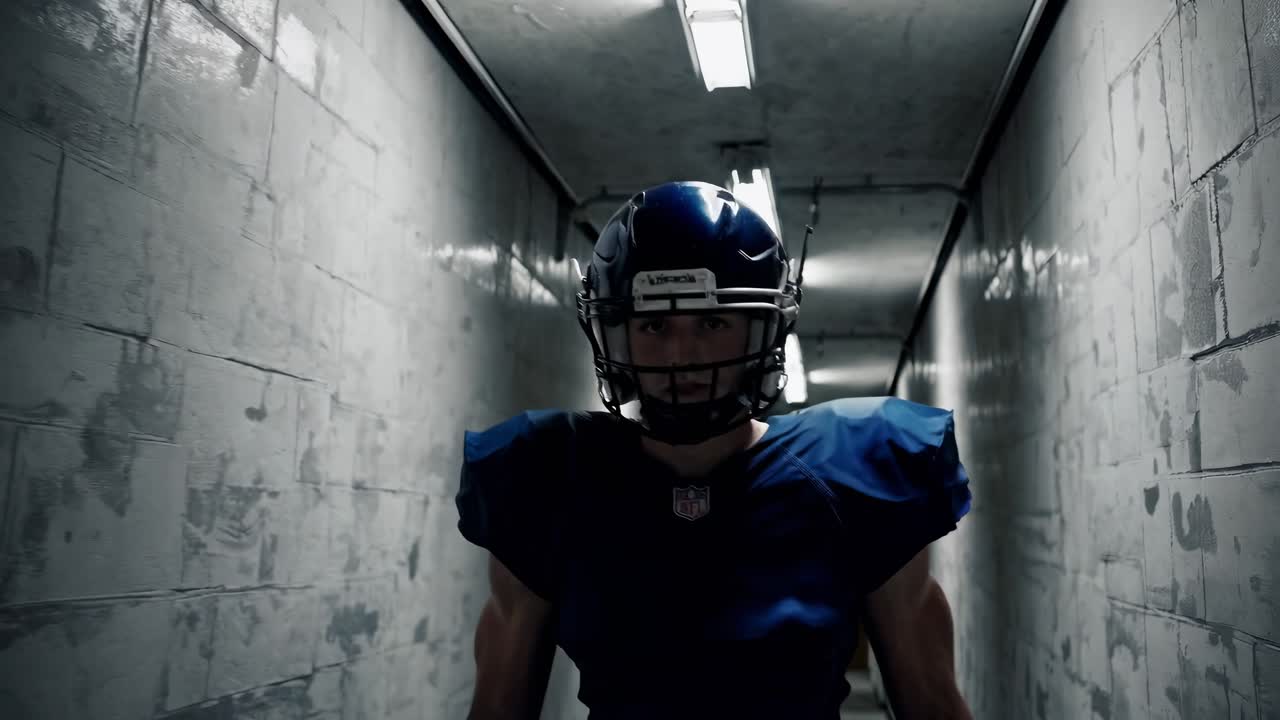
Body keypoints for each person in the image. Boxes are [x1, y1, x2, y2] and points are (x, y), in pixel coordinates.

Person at [455, 180, 973, 719]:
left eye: (712, 321)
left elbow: (933, 705)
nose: (682, 354)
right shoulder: (548, 476)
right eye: (654, 324)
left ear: (762, 329)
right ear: (615, 334)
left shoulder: (860, 471)